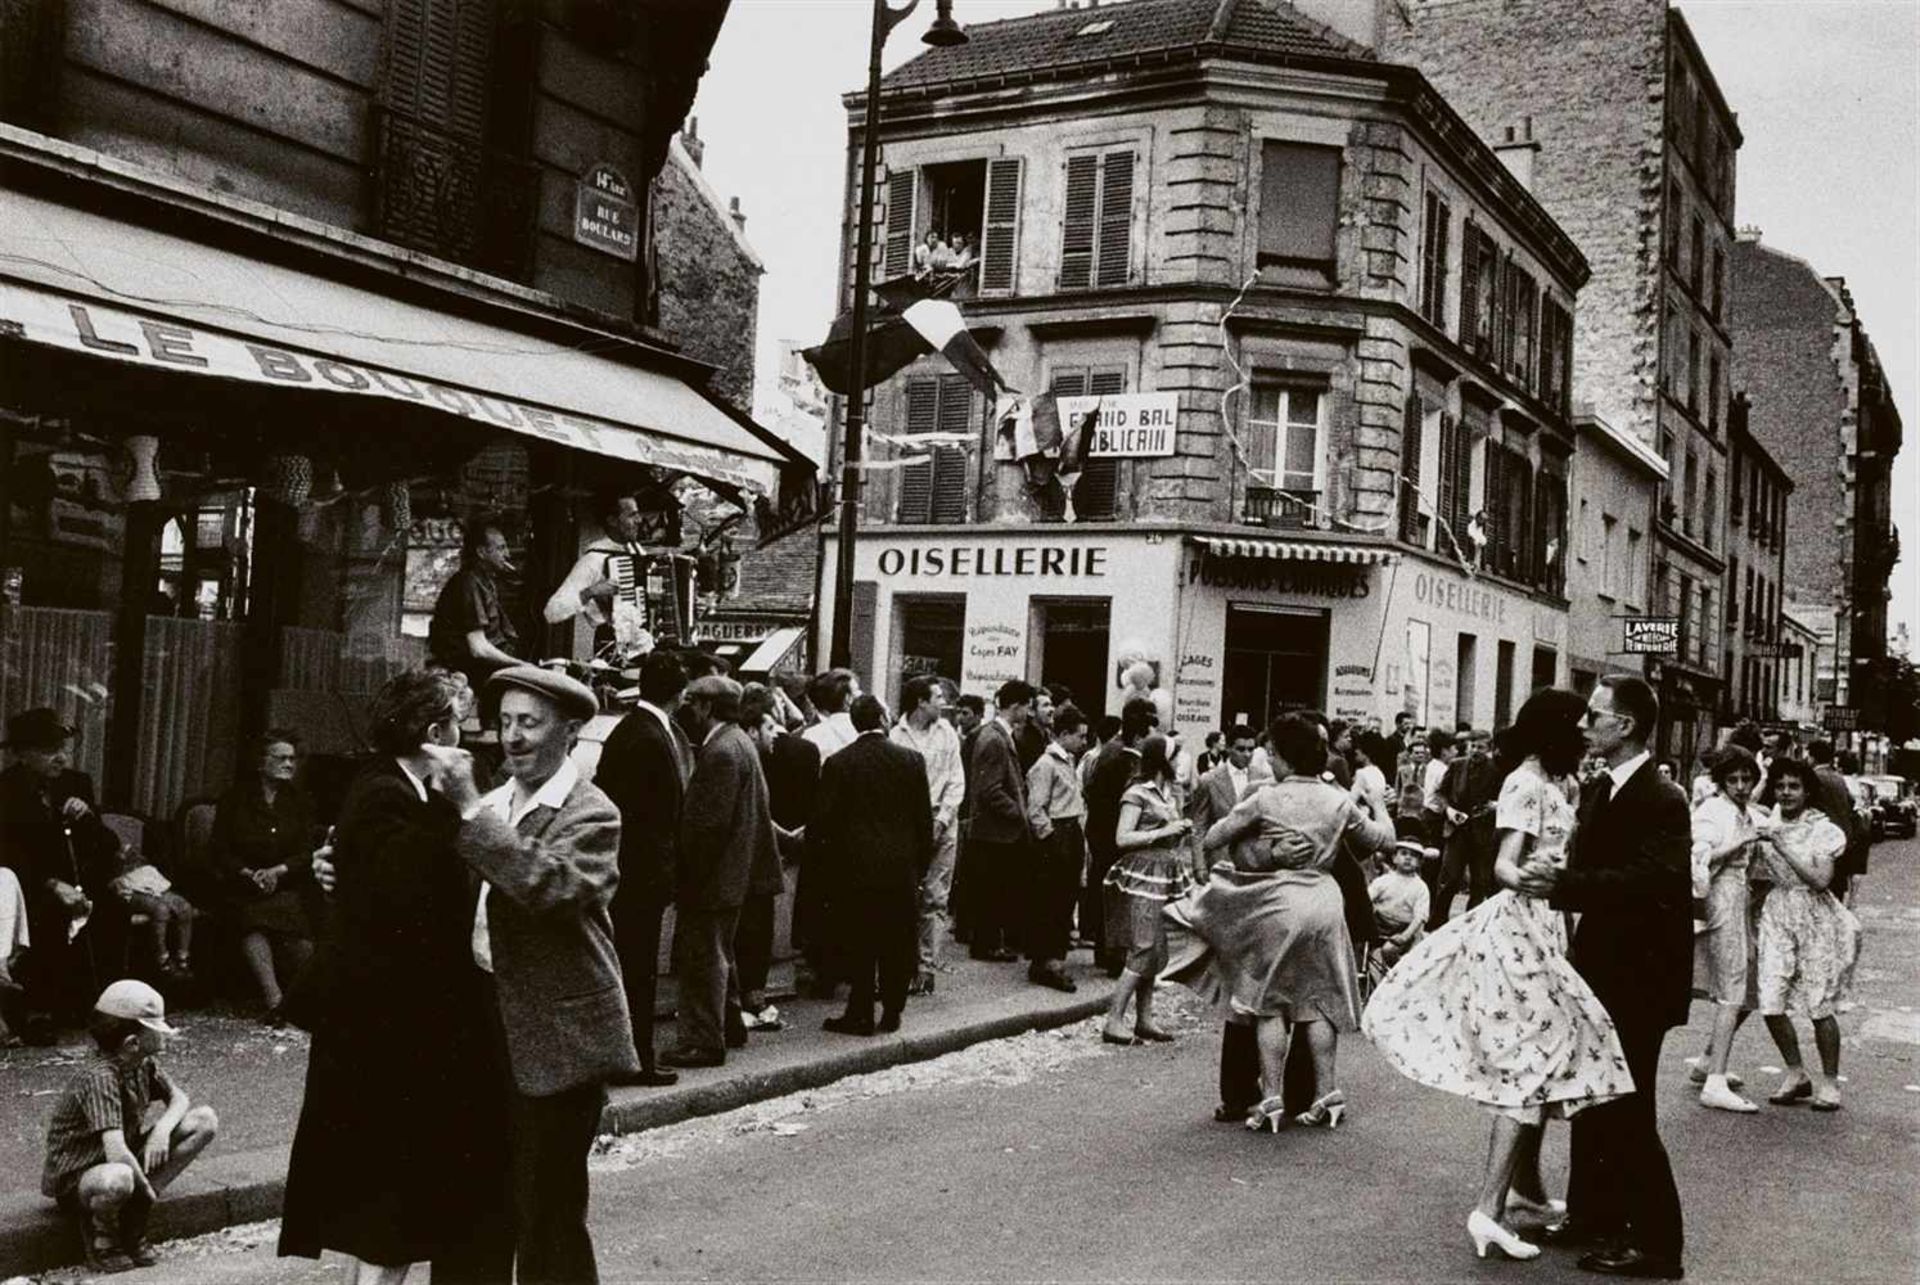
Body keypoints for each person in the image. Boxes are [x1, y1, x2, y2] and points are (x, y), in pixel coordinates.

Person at [1364, 689, 1635, 1263]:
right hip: (1521, 932)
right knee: (1526, 1068)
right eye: (1579, 721)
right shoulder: (1526, 783)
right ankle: (1488, 1209)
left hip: (1546, 925)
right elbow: (1503, 865)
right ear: (1555, 730)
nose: (1588, 728)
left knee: (1542, 1062)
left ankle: (1525, 1190)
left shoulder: (1562, 783)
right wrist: (1543, 879)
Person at [281, 669, 514, 1284]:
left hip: (405, 1022)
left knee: (401, 1194)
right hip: (388, 1026)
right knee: (392, 1193)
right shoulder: (384, 792)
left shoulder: (408, 789)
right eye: (456, 723)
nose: (466, 735)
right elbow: (416, 896)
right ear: (435, 732)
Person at [430, 665, 639, 1285]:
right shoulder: (496, 803)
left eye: (530, 722)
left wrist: (469, 808)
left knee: (546, 1206)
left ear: (570, 732)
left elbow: (549, 887)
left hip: (558, 1034)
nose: (513, 737)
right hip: (482, 1015)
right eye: (505, 723)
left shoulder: (591, 812)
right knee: (471, 1198)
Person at [1524, 675, 1691, 1281]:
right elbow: (1590, 864)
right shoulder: (1602, 789)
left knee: (1626, 1106)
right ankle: (1594, 1213)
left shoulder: (1662, 797)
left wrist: (1564, 884)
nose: (1582, 725)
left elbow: (1651, 882)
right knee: (1591, 1099)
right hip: (1599, 969)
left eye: (1594, 716)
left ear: (1624, 726)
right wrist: (1556, 867)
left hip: (1640, 979)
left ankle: (1657, 1243)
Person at [1167, 715, 1392, 1129]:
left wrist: (1262, 844)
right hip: (1325, 901)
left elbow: (1215, 836)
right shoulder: (1337, 799)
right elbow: (1383, 842)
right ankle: (1328, 1094)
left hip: (1276, 904)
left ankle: (1271, 1097)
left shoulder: (1265, 797)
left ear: (1284, 757)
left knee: (1268, 1004)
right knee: (1319, 1004)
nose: (1267, 759)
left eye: (1272, 753)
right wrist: (1376, 802)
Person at [43, 981, 218, 1274]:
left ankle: (134, 1212)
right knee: (120, 1176)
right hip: (82, 1176)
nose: (164, 1034)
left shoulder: (141, 1063)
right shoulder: (100, 1077)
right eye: (157, 1030)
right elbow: (116, 1152)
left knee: (204, 1120)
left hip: (119, 1160)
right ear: (132, 1043)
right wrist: (147, 1192)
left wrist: (162, 1130)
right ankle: (104, 1236)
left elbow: (179, 1098)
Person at [592, 651, 692, 1088]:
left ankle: (630, 1054)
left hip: (634, 873)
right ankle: (635, 1058)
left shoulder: (638, 730)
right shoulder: (648, 737)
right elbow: (651, 819)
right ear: (680, 693)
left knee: (633, 966)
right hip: (639, 876)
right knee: (637, 968)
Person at [666, 675, 777, 1068]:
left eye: (692, 702)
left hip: (713, 878)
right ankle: (730, 1025)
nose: (687, 709)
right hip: (733, 874)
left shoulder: (721, 752)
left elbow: (708, 828)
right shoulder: (739, 742)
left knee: (704, 960)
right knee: (719, 955)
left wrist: (686, 877)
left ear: (707, 707)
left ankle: (703, 1041)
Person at [0, 708, 128, 1039]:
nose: (60, 757)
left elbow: (106, 844)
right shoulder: (6, 791)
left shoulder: (76, 783)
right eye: (48, 750)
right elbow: (8, 854)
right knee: (48, 913)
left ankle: (100, 1003)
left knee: (113, 907)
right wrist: (52, 884)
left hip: (80, 879)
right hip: (29, 885)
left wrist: (87, 818)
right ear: (20, 754)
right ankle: (36, 1009)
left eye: (63, 748)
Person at [811, 696, 933, 1035]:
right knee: (897, 941)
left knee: (860, 942)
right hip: (900, 868)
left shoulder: (839, 763)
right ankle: (893, 1009)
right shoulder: (911, 760)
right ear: (882, 717)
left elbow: (825, 824)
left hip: (855, 870)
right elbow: (925, 821)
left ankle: (860, 1011)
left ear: (854, 723)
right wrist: (919, 867)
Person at [1751, 757, 1860, 1112]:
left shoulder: (1822, 829)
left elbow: (1819, 880)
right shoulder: (1767, 822)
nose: (1786, 793)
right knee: (1770, 998)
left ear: (1807, 791)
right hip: (1778, 913)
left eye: (1793, 786)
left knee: (1819, 1003)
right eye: (1780, 786)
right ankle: (1796, 1072)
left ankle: (1829, 1082)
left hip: (1815, 916)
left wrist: (1781, 846)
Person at [210, 732, 319, 1025]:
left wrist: (278, 871)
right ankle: (274, 999)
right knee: (251, 920)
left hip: (285, 883)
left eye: (292, 759)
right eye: (280, 758)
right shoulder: (235, 799)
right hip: (242, 885)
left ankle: (302, 998)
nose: (288, 764)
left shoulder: (300, 802)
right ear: (261, 763)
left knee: (299, 936)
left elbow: (307, 852)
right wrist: (247, 873)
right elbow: (219, 849)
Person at [1100, 735, 1195, 1045]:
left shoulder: (1169, 794)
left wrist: (1180, 832)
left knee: (1156, 949)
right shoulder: (1137, 792)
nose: (1182, 763)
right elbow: (1122, 838)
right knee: (1142, 946)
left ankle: (1144, 1018)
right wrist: (1164, 831)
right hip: (1143, 875)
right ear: (1163, 760)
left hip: (1165, 873)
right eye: (1177, 756)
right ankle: (1114, 1020)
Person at [1688, 745, 1766, 1113]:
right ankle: (1715, 1080)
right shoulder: (1711, 812)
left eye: (1746, 779)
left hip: (1740, 898)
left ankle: (1708, 1059)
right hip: (1720, 897)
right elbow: (1698, 859)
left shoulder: (1747, 812)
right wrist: (1738, 844)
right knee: (1733, 985)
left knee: (1751, 984)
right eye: (1733, 779)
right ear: (1720, 782)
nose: (1740, 785)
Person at [734, 684, 801, 1031]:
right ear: (752, 729)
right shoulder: (741, 758)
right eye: (771, 728)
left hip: (756, 865)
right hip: (747, 866)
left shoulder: (752, 758)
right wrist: (787, 837)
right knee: (750, 933)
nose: (777, 735)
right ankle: (748, 1001)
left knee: (756, 933)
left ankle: (752, 999)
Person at [891, 676, 964, 995]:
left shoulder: (947, 734)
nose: (943, 703)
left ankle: (927, 967)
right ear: (920, 702)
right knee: (905, 894)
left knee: (936, 896)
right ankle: (902, 963)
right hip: (906, 823)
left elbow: (955, 781)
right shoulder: (896, 735)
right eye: (937, 697)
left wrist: (942, 819)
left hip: (942, 821)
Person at [962, 681, 1035, 963]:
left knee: (993, 890)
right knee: (992, 891)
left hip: (995, 831)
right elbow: (989, 789)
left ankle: (990, 943)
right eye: (1027, 706)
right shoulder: (994, 738)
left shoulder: (997, 735)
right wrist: (1018, 811)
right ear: (1015, 706)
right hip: (996, 832)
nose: (1028, 712)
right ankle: (988, 945)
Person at [1083, 698, 1156, 973]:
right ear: (1138, 735)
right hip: (1112, 837)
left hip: (1103, 834)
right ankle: (1113, 956)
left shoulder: (1112, 751)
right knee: (1116, 895)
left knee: (1109, 893)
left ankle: (1107, 951)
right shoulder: (1122, 759)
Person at [541, 493, 655, 661]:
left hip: (645, 647)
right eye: (632, 515)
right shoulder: (594, 559)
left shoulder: (637, 552)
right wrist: (590, 592)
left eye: (638, 514)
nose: (639, 520)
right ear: (612, 521)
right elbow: (552, 612)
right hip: (615, 650)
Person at [1024, 704, 1089, 993]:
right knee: (1051, 900)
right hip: (1057, 834)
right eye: (1079, 736)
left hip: (1071, 831)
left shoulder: (1069, 761)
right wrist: (1050, 840)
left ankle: (1053, 958)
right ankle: (1047, 961)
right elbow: (1036, 808)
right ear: (1063, 734)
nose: (1084, 742)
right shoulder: (1046, 764)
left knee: (1065, 899)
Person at [427, 517, 520, 688]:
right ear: (482, 552)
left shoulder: (486, 582)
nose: (507, 554)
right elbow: (479, 649)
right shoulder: (468, 582)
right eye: (500, 548)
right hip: (462, 680)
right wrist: (520, 666)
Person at [1429, 729, 1502, 929]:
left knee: (1480, 883)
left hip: (1483, 833)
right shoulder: (1457, 765)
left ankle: (1470, 927)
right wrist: (1449, 811)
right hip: (1456, 831)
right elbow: (1440, 793)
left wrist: (1495, 806)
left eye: (1481, 747)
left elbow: (1504, 798)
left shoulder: (1497, 769)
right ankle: (1437, 923)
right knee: (1449, 879)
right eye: (1472, 746)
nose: (1475, 751)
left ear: (1489, 749)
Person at [108, 839, 195, 981]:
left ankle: (183, 956)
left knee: (184, 907)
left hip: (146, 875)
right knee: (160, 909)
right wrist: (120, 859)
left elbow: (147, 860)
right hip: (126, 884)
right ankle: (162, 959)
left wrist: (137, 858)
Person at [1187, 724, 1256, 882]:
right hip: (1221, 859)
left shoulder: (1262, 777)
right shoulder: (1209, 780)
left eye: (1251, 749)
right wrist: (1199, 865)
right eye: (1241, 749)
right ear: (1229, 749)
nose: (1247, 754)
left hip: (1254, 861)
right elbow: (1199, 825)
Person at [1367, 840, 1431, 976]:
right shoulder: (1383, 881)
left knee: (1388, 950)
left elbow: (1420, 917)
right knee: (1355, 944)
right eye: (1403, 854)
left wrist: (1405, 936)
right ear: (1394, 858)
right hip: (1378, 926)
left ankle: (1400, 976)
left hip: (1404, 930)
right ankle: (1362, 978)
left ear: (1419, 863)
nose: (1408, 858)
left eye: (1413, 856)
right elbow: (1367, 899)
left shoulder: (1420, 887)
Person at [801, 669, 861, 761]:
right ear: (848, 699)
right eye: (857, 690)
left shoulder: (810, 735)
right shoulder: (863, 733)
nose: (861, 694)